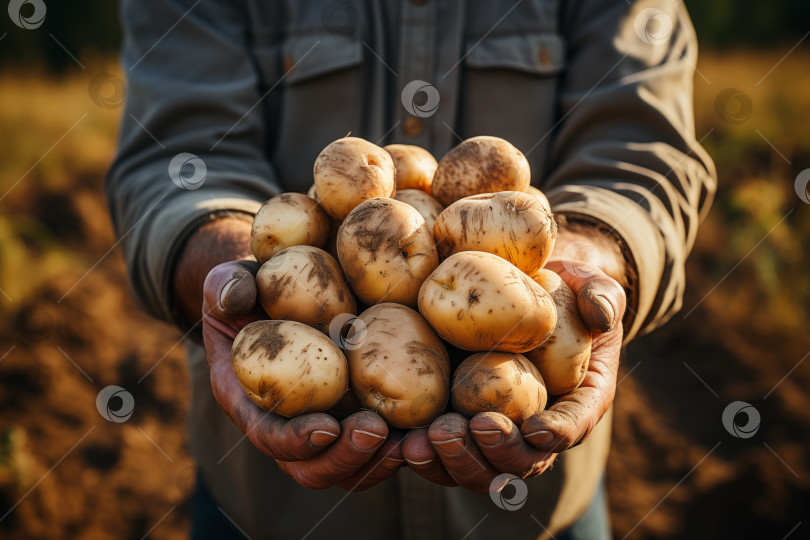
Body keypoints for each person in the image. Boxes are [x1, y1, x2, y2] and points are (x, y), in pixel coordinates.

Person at [106, 0, 716, 538]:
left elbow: (644, 154)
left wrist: (593, 259)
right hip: (264, 509)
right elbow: (175, 158)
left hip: (535, 518)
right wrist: (231, 264)